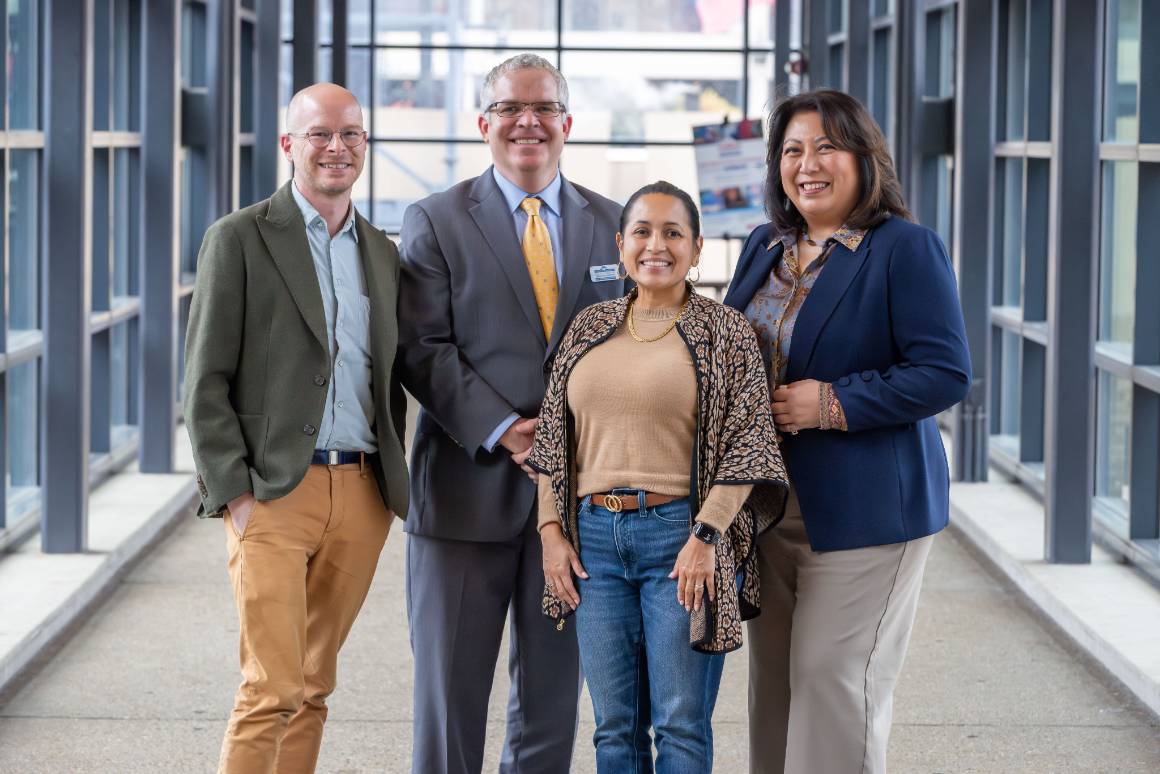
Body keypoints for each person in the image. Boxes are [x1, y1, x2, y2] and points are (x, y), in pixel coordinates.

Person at [723, 90, 971, 774]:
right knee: (773, 691)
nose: (808, 164)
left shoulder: (904, 249)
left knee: (832, 680)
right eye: (793, 150)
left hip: (868, 510)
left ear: (866, 158)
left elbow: (945, 373)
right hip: (767, 504)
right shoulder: (764, 244)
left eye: (827, 147)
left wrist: (829, 402)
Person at [396, 53, 627, 774]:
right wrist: (508, 430)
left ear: (567, 123)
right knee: (449, 701)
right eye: (509, 109)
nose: (527, 121)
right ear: (483, 124)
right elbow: (422, 348)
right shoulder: (434, 219)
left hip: (578, 504)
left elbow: (634, 347)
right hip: (465, 493)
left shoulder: (615, 224)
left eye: (543, 108)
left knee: (554, 702)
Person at [183, 83, 409, 773]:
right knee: (269, 688)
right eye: (320, 134)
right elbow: (204, 381)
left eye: (351, 134)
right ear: (289, 144)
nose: (337, 146)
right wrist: (239, 495)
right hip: (276, 493)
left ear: (365, 145)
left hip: (362, 495)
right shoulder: (240, 238)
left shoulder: (381, 252)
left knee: (313, 687)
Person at [527, 181, 788, 773]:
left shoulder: (726, 333)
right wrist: (550, 531)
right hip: (591, 541)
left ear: (696, 250)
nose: (656, 245)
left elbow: (748, 443)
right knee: (613, 728)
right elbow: (553, 440)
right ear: (621, 244)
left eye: (674, 233)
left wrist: (707, 537)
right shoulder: (588, 327)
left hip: (681, 538)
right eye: (643, 231)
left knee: (679, 725)